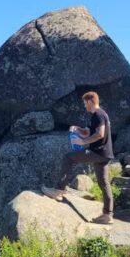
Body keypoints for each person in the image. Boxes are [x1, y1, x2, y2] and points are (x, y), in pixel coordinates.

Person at [42, 91, 115, 224]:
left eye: (85, 103)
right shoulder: (98, 115)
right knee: (104, 183)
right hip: (105, 154)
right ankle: (108, 215)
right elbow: (88, 131)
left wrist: (83, 142)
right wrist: (77, 129)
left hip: (98, 152)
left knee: (68, 158)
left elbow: (100, 134)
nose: (84, 106)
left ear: (90, 101)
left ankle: (59, 190)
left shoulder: (98, 114)